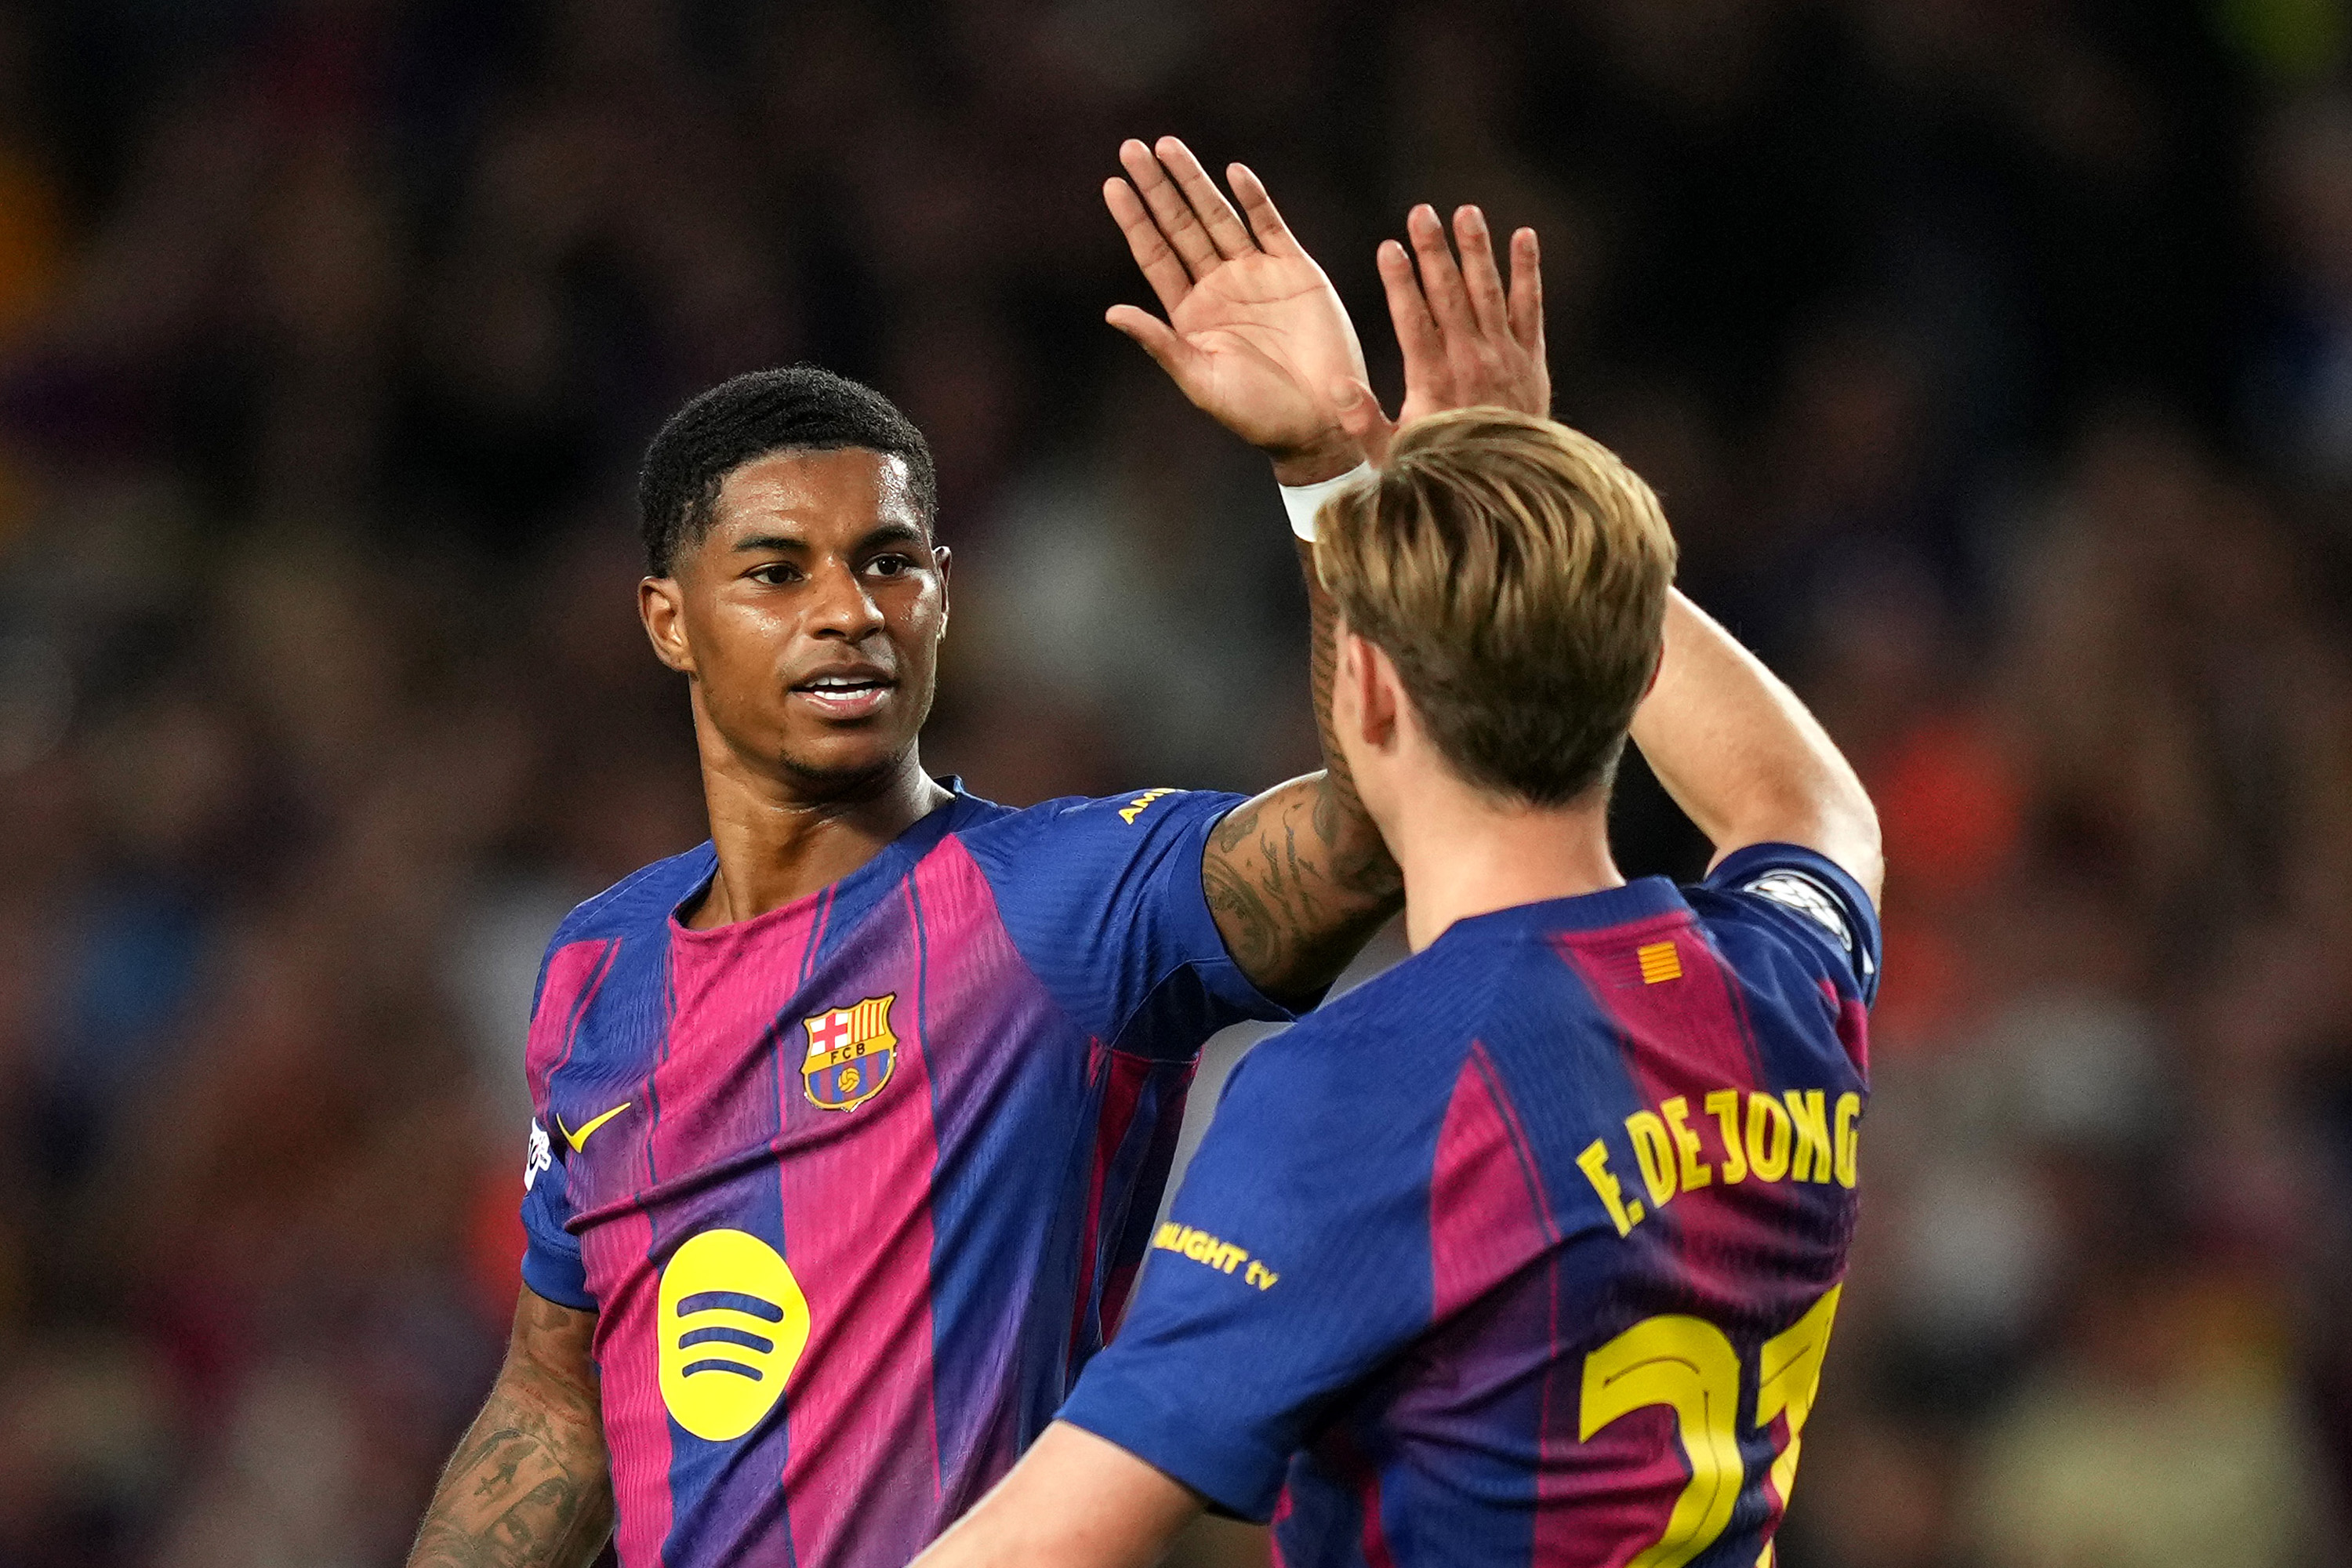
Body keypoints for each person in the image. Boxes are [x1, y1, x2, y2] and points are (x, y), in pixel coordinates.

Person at [403, 139, 1543, 1568]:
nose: (849, 610)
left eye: (891, 561)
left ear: (943, 595)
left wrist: (1324, 470)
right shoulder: (595, 970)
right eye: (777, 570)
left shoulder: (1060, 904)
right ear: (667, 621)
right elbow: (554, 1405)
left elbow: (1365, 839)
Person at [912, 411, 1884, 1562]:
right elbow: (1809, 804)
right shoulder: (1783, 987)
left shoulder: (1369, 1091)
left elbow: (1049, 1540)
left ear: (1365, 688)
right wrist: (1556, 520)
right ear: (1632, 668)